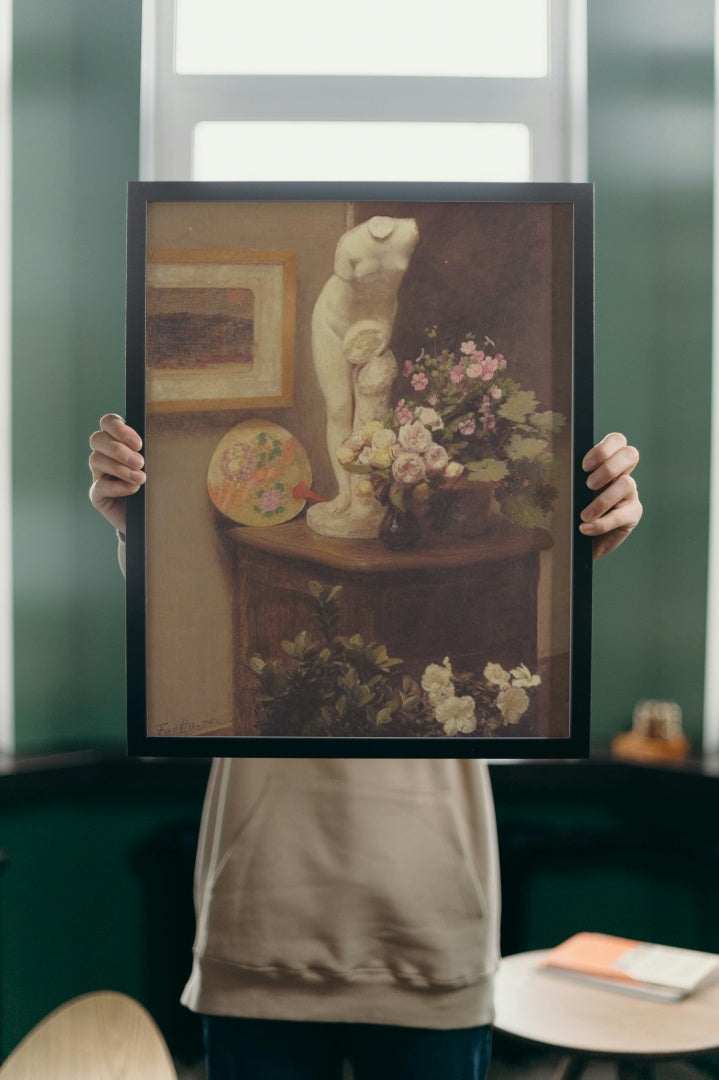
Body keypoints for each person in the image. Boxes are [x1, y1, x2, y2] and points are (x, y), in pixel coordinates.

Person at [89, 416, 642, 1080]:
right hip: (263, 923)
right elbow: (172, 629)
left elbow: (516, 661)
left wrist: (587, 549)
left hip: (432, 927)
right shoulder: (270, 569)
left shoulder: (456, 561)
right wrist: (134, 524)